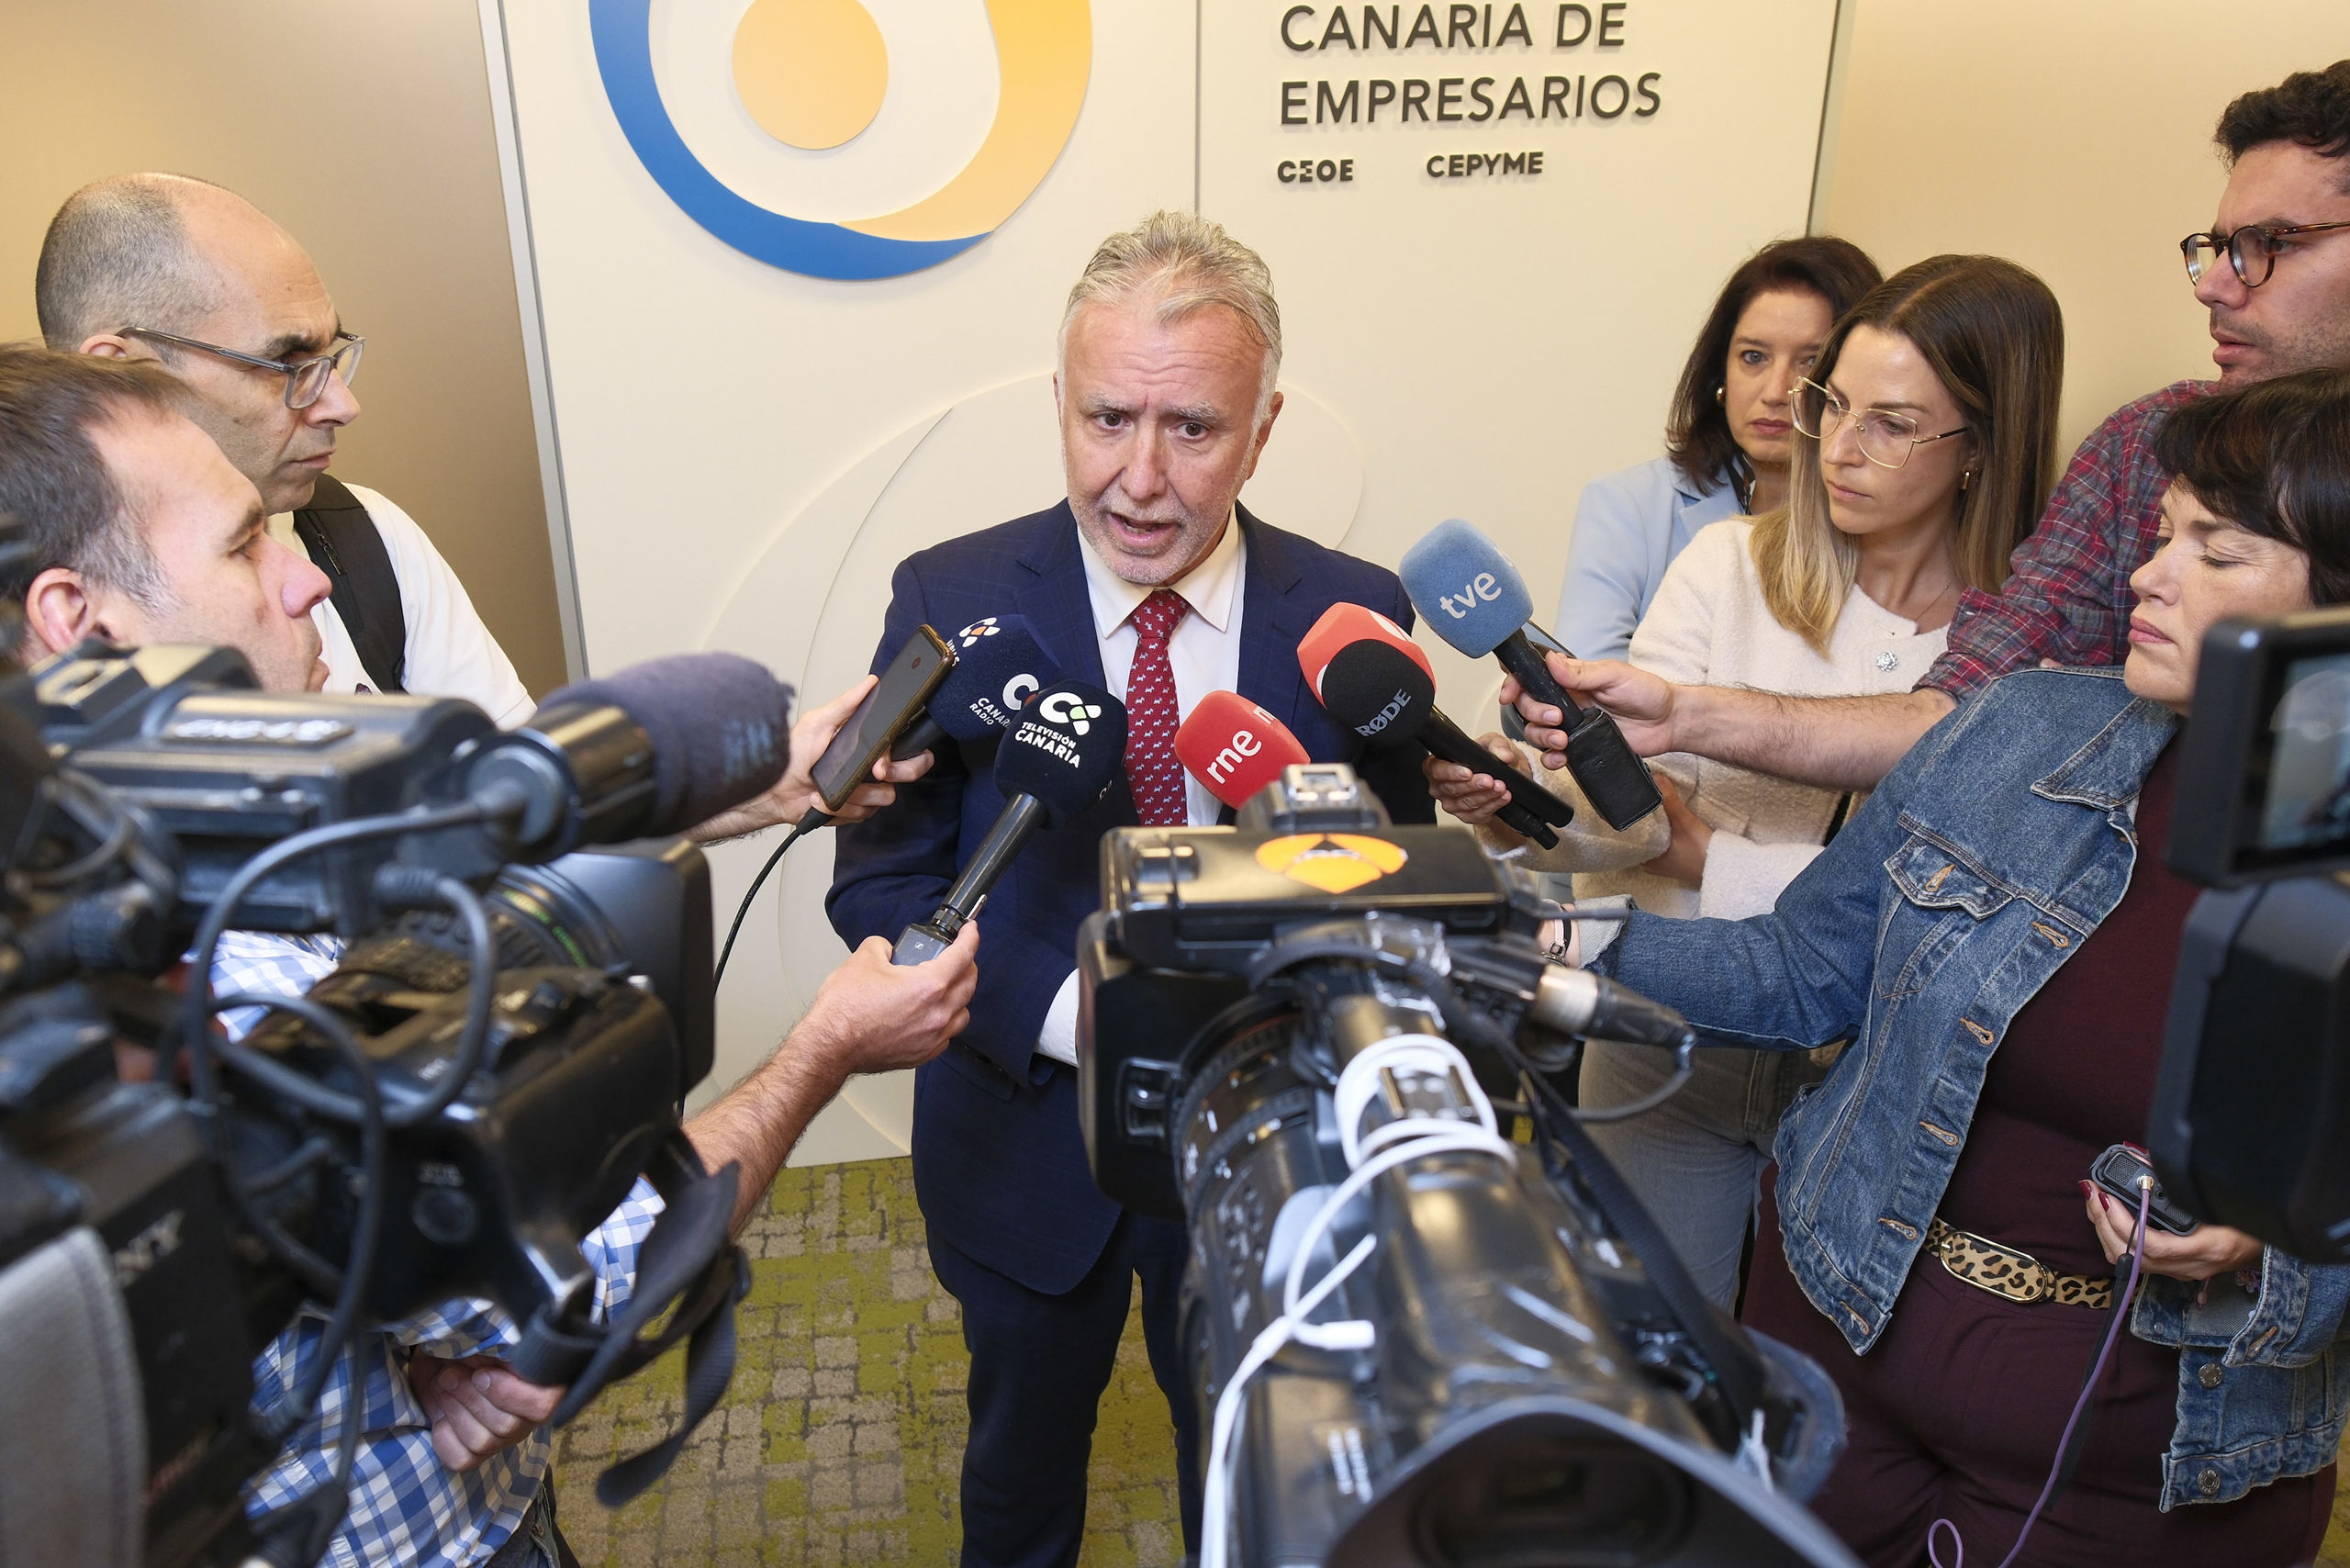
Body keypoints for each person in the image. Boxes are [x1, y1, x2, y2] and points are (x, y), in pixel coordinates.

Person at [0, 341, 980, 1568]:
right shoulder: (202, 986)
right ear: (79, 625)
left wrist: (761, 786)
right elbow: (606, 1261)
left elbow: (462, 883)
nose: (307, 578)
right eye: (246, 546)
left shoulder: (204, 843)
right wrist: (825, 1047)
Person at [1568, 368, 2350, 1565]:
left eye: (2218, 551)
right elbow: (1799, 966)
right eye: (2161, 534)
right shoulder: (2022, 727)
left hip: (2137, 1465)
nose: (2149, 576)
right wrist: (1543, 943)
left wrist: (2284, 1235)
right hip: (1833, 1345)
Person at [826, 210, 1436, 1568]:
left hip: (1271, 1144)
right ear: (1061, 401)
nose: (1141, 480)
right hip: (1025, 1145)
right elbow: (884, 885)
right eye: (1107, 419)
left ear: (1263, 429)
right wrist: (1082, 1020)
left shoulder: (1354, 609)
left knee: (1255, 1480)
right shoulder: (951, 595)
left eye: (1193, 429)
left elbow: (1393, 879)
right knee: (1018, 1475)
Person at [1436, 255, 2064, 1309]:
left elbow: (1932, 923)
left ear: (1982, 447)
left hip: (1865, 1084)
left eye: (1893, 424)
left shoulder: (2025, 661)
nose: (1838, 446)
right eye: (1834, 404)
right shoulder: (1726, 567)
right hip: (1663, 1043)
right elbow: (1633, 828)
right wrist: (1522, 807)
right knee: (1652, 1352)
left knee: (1804, 1373)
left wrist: (1709, 856)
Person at [1510, 61, 2350, 791]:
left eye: (2271, 243)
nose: (2214, 284)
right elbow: (1964, 712)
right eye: (2220, 246)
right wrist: (1684, 717)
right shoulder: (2148, 444)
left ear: (1977, 445)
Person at [36, 171, 535, 723]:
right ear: (122, 375)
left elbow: (513, 768)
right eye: (284, 364)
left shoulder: (365, 539)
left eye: (329, 357)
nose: (342, 405)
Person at [1555, 235, 1880, 662]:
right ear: (1719, 372)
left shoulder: (1885, 520)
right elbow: (1579, 682)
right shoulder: (1627, 504)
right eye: (1753, 357)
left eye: (1811, 362)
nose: (1776, 392)